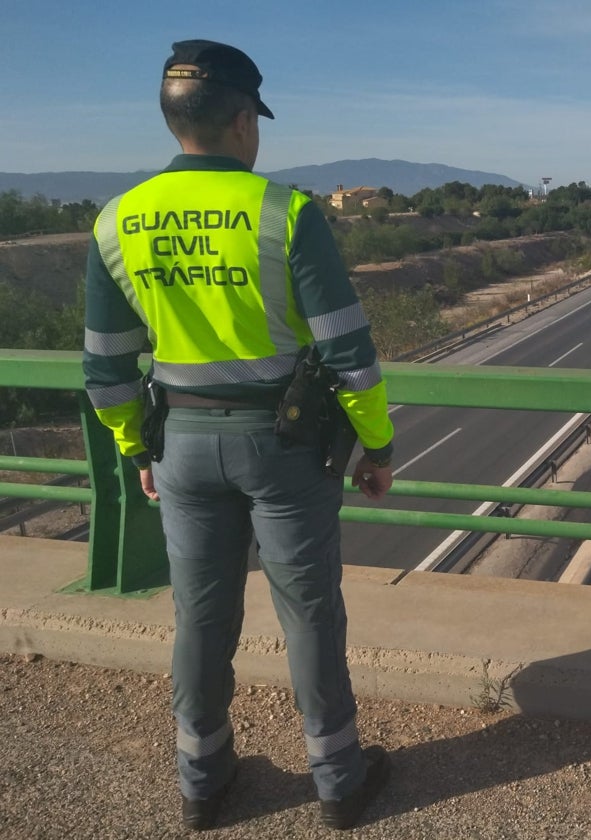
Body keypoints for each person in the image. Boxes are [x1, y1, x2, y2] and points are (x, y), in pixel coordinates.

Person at [83, 40, 395, 832]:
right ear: (242, 119)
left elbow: (108, 371)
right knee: (310, 613)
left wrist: (135, 449)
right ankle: (338, 780)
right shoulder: (284, 213)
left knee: (200, 615)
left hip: (180, 442)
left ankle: (202, 778)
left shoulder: (116, 221)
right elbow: (348, 351)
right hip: (284, 445)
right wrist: (378, 445)